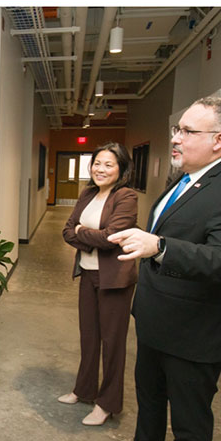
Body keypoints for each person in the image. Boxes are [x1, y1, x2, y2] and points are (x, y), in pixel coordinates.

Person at [104, 96, 221, 441]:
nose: (176, 138)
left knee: (189, 421)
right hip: (157, 318)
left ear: (219, 141)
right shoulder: (185, 181)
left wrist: (158, 246)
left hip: (195, 332)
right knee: (150, 395)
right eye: (177, 129)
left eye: (188, 131)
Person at [60, 143, 138, 426]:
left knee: (112, 342)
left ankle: (107, 404)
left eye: (108, 164)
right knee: (89, 337)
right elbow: (67, 231)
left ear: (121, 169)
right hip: (88, 273)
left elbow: (111, 238)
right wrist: (84, 233)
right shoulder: (88, 193)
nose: (100, 169)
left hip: (114, 279)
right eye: (97, 163)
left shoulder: (126, 196)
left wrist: (84, 232)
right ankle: (84, 390)